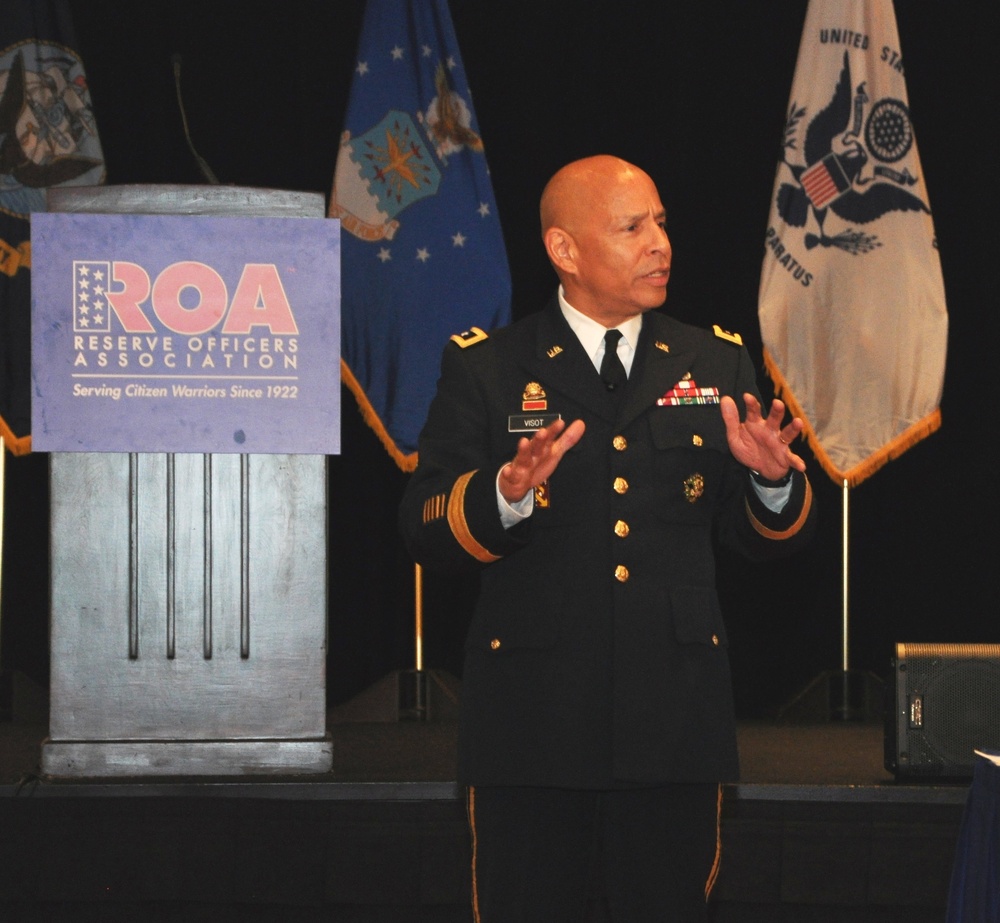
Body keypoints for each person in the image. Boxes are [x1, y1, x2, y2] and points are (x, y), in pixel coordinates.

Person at [399, 155, 816, 922]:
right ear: (565, 250)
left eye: (661, 222)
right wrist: (504, 494)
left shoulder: (714, 361)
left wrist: (770, 481)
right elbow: (424, 524)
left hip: (674, 722)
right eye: (633, 227)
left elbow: (763, 536)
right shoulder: (490, 369)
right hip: (533, 729)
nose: (660, 242)